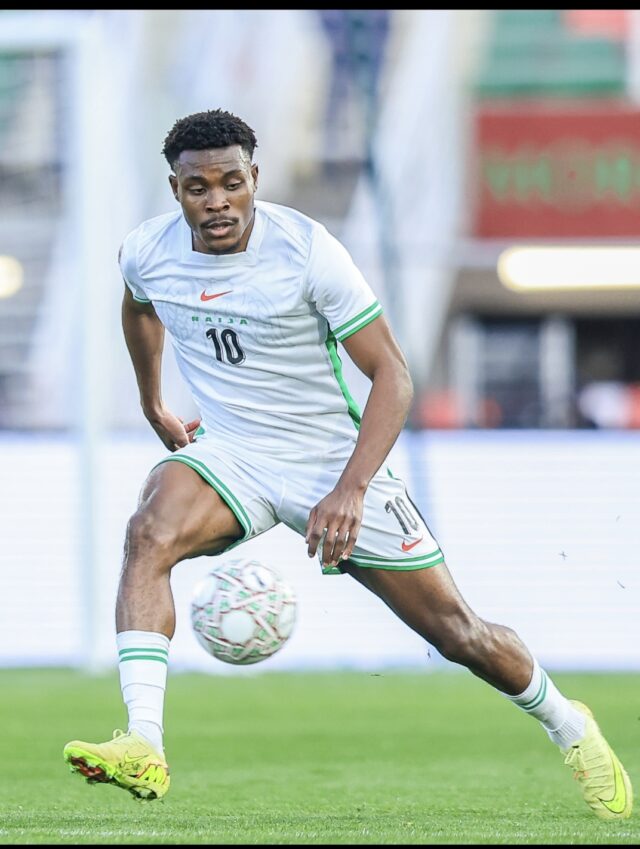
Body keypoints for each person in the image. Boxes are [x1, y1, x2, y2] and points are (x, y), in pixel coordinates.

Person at [63, 109, 632, 820]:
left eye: (232, 183)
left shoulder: (307, 251)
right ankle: (144, 740)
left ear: (255, 178)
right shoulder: (146, 250)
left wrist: (351, 488)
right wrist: (153, 400)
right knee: (148, 532)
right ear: (175, 190)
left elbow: (393, 374)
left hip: (332, 458)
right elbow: (139, 308)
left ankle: (569, 725)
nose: (218, 202)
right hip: (234, 451)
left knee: (458, 633)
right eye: (198, 188)